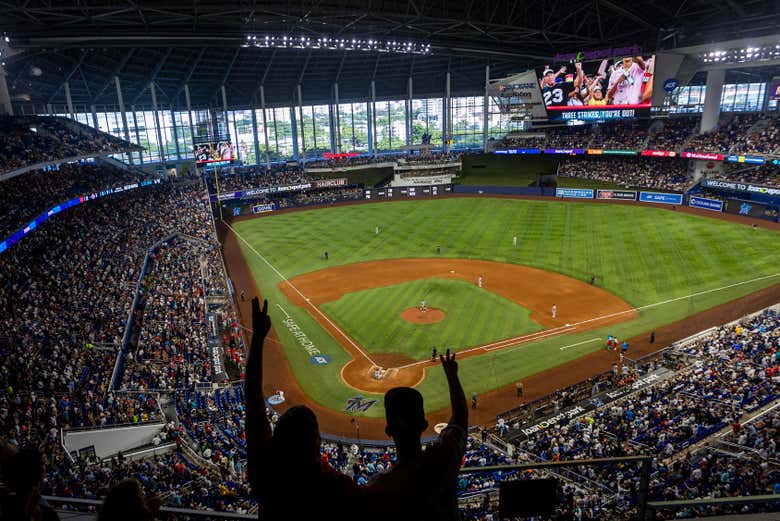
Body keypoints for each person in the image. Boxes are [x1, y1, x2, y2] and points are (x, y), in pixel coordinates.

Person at [245, 298, 364, 520]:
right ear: (316, 444)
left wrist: (258, 338)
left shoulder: (266, 468)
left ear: (278, 438)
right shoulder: (332, 483)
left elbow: (252, 402)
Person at [368, 349, 467, 521]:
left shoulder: (381, 486)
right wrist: (452, 375)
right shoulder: (443, 458)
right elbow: (460, 415)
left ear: (388, 431)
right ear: (424, 425)